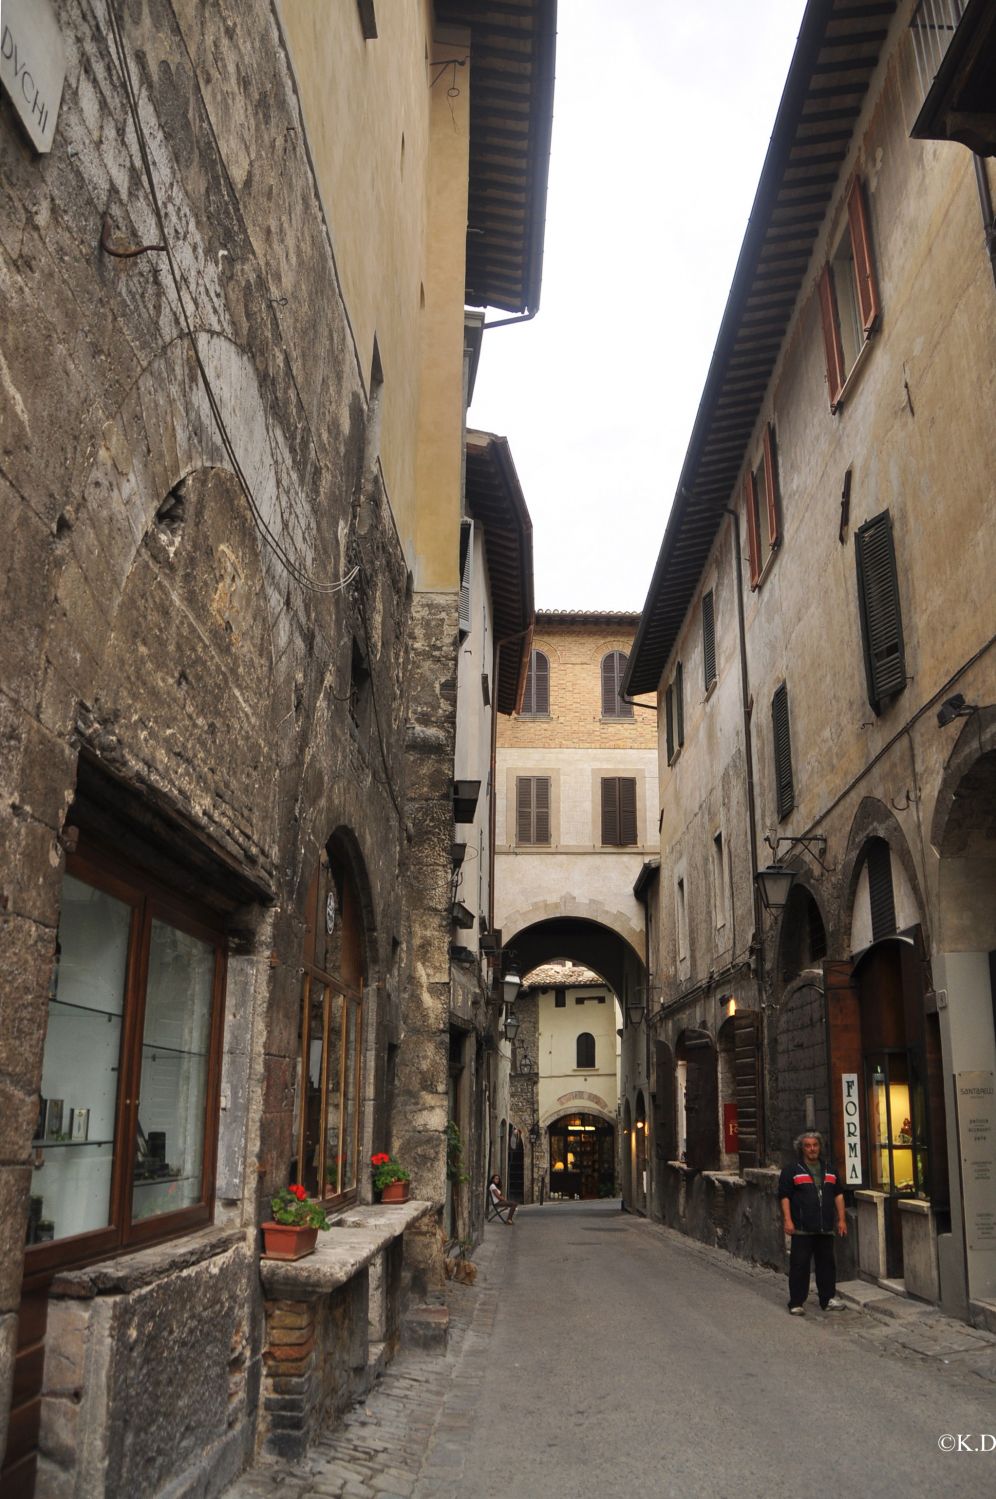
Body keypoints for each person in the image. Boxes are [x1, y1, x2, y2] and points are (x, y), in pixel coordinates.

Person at [778, 1130, 847, 1315]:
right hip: (802, 1229)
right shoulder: (792, 1170)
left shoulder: (830, 1170)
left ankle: (827, 1299)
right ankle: (796, 1302)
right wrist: (788, 1220)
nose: (812, 1149)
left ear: (820, 1147)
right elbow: (784, 1197)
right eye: (807, 1146)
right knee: (800, 1266)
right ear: (802, 1149)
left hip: (825, 1228)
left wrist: (841, 1219)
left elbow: (838, 1195)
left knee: (826, 1265)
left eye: (815, 1145)